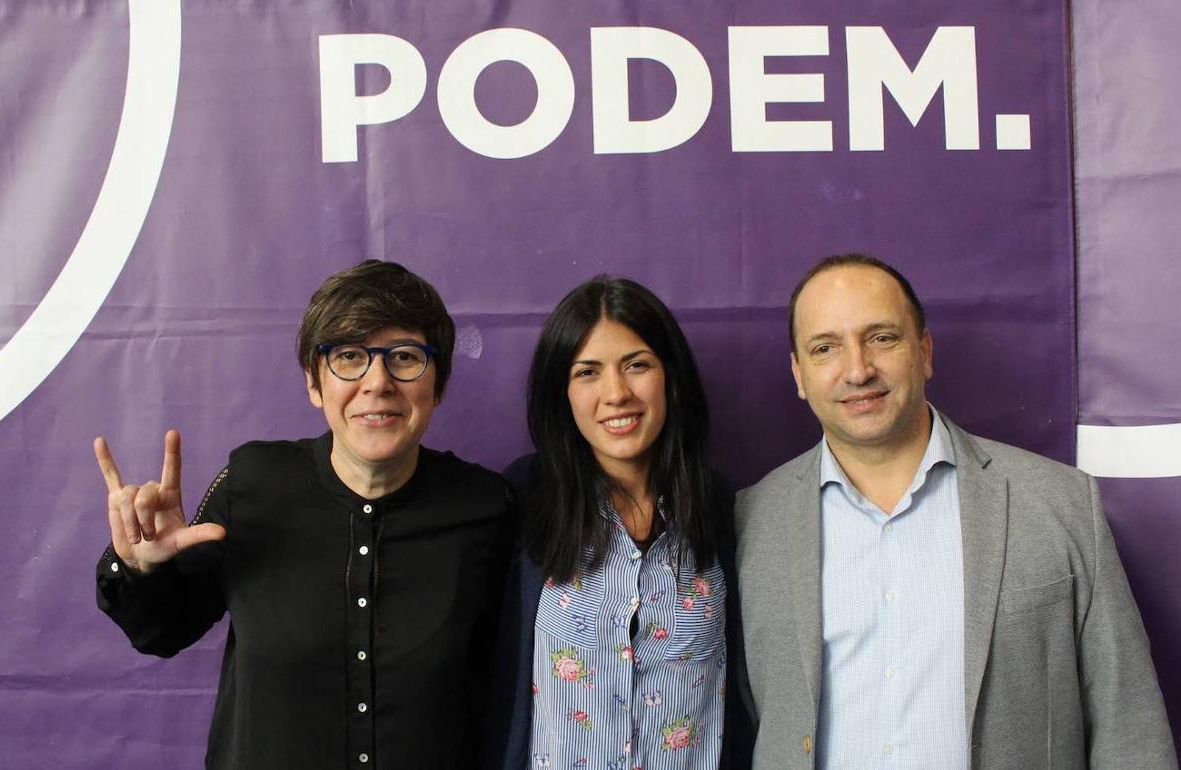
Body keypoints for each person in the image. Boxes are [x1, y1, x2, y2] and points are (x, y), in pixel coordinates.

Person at [735, 253, 1176, 769]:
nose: (857, 370)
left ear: (924, 351)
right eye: (825, 348)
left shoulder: (1059, 502)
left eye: (882, 337)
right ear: (799, 374)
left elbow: (1131, 728)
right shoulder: (753, 520)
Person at [94, 260, 514, 769]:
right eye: (349, 357)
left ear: (438, 385)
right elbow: (160, 632)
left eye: (404, 357)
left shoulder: (487, 509)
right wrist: (142, 567)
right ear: (315, 385)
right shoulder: (252, 484)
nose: (376, 382)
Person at [488, 276, 751, 769]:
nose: (616, 393)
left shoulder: (720, 507)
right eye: (587, 372)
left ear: (670, 376)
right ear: (561, 391)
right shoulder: (521, 500)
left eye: (637, 365)